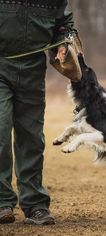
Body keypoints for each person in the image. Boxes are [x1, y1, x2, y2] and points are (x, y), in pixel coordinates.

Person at [0, 0, 73, 225]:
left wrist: (63, 42)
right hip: (1, 66)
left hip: (33, 71)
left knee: (32, 138)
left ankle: (35, 206)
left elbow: (64, 23)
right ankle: (2, 203)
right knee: (0, 132)